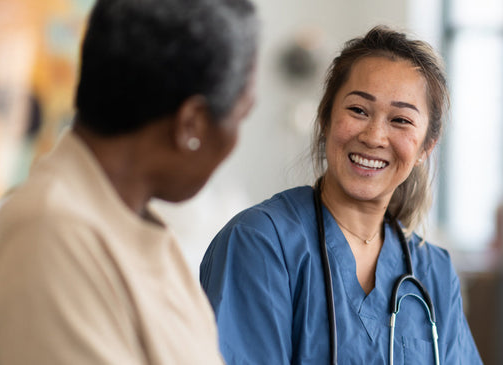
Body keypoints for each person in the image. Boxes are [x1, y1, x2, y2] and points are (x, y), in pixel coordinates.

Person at [0, 0, 257, 363]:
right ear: (192, 124)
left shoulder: (141, 230)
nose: (235, 139)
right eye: (240, 115)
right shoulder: (50, 232)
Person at [201, 26, 482, 364]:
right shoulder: (261, 243)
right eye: (358, 110)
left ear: (426, 147)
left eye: (401, 120)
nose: (375, 136)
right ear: (326, 118)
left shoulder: (434, 273)